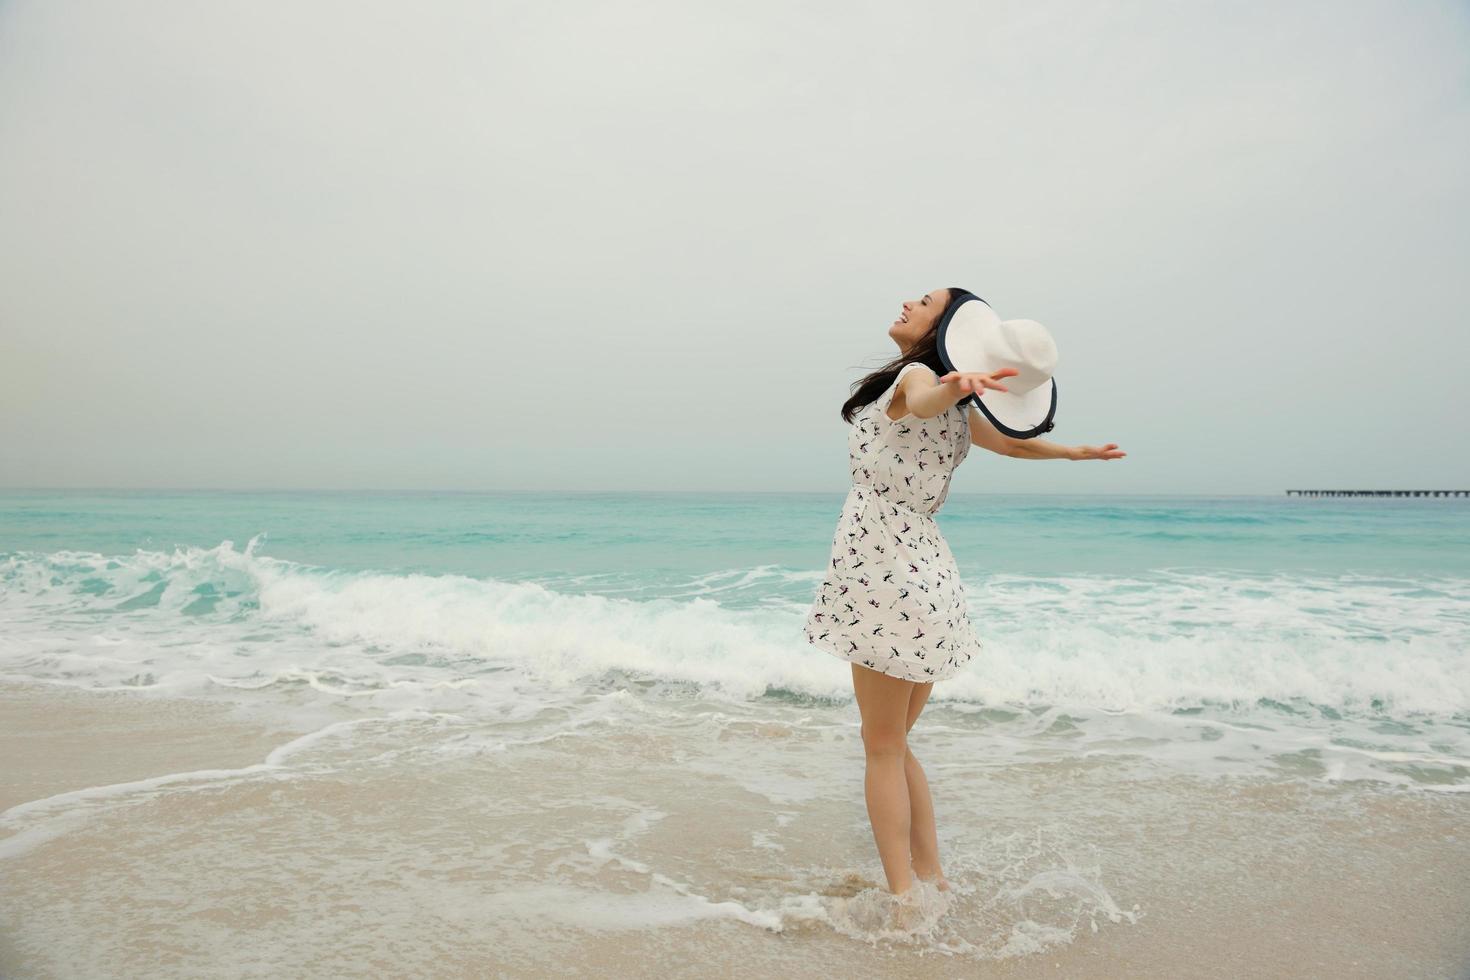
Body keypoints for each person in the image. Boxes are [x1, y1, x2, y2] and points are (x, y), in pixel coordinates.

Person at [802, 286, 1125, 899]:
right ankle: (933, 880)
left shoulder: (922, 377)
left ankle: (903, 903)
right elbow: (1011, 443)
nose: (905, 303)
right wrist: (1075, 453)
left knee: (880, 748)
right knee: (895, 745)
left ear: (941, 327)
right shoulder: (956, 404)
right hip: (927, 569)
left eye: (921, 301)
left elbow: (922, 401)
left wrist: (951, 386)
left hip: (883, 564)